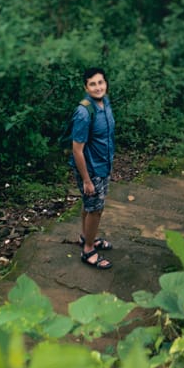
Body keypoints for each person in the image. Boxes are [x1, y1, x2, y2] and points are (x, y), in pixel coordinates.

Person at [70, 66, 116, 270]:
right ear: (86, 87)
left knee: (90, 206)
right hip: (91, 169)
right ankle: (88, 250)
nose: (98, 87)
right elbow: (77, 150)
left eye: (101, 82)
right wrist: (87, 180)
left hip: (104, 164)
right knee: (96, 209)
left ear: (106, 83)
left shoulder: (105, 103)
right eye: (93, 84)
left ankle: (87, 237)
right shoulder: (83, 112)